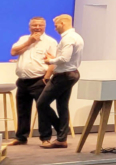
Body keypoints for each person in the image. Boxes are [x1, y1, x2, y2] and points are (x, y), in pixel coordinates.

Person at [36, 15, 83, 148]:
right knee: (62, 106)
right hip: (71, 73)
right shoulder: (76, 37)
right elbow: (67, 58)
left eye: (56, 25)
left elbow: (64, 59)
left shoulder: (68, 39)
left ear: (62, 23)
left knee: (41, 104)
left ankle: (61, 132)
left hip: (63, 75)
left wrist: (50, 61)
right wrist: (55, 58)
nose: (55, 28)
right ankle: (62, 138)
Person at [7, 18, 54, 148]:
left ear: (45, 26)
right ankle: (21, 137)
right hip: (22, 81)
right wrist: (30, 42)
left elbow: (54, 61)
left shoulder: (50, 42)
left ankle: (45, 138)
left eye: (40, 25)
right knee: (22, 110)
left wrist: (47, 77)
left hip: (39, 80)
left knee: (43, 109)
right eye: (34, 25)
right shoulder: (23, 39)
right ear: (29, 27)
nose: (37, 27)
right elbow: (13, 52)